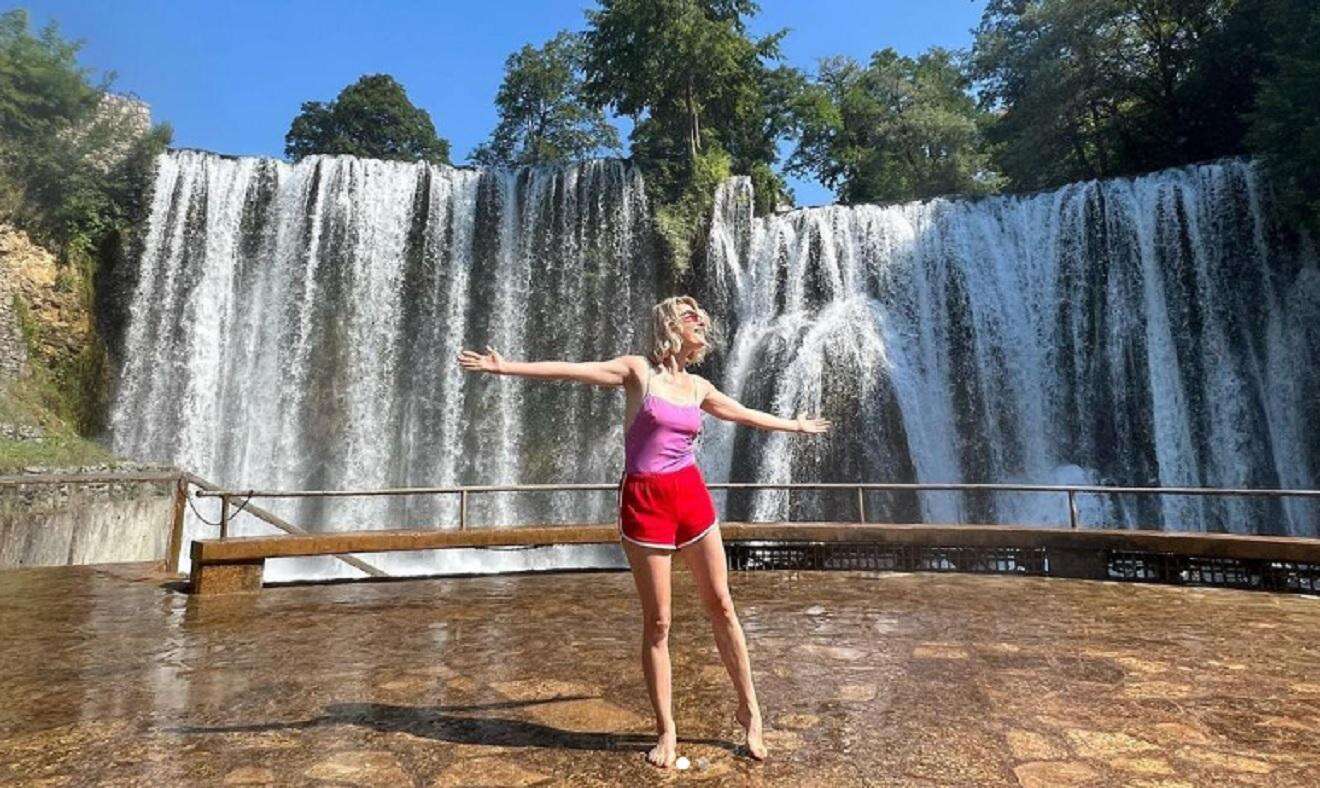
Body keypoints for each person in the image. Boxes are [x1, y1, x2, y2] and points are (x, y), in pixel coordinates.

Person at [457, 295, 831, 768]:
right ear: (670, 326)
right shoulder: (639, 372)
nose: (700, 323)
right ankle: (666, 730)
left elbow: (743, 413)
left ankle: (750, 710)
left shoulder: (698, 386)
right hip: (645, 502)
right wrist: (505, 367)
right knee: (658, 623)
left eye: (701, 318)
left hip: (690, 497)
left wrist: (794, 426)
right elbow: (574, 371)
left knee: (722, 604)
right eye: (690, 317)